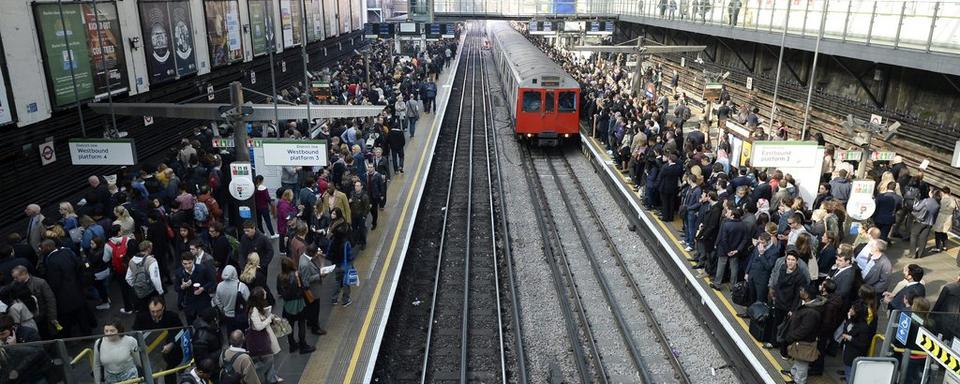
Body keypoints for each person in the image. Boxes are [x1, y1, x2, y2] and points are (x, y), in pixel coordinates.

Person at [38, 239, 91, 337]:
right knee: (82, 315)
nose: (40, 250)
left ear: (49, 247)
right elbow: (78, 266)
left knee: (66, 318)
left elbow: (55, 281)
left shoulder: (51, 261)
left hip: (64, 295)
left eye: (42, 248)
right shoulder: (66, 252)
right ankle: (87, 333)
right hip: (77, 289)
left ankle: (67, 336)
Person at [133, 297, 184, 384]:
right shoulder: (141, 317)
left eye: (158, 311)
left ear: (163, 307)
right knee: (151, 377)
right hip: (150, 353)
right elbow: (135, 333)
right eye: (152, 311)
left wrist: (172, 344)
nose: (155, 314)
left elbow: (180, 332)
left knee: (169, 376)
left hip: (169, 355)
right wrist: (141, 344)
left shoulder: (172, 317)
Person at [766, 251, 809, 349]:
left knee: (785, 327)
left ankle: (783, 346)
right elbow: (779, 284)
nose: (790, 262)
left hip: (788, 305)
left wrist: (792, 309)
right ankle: (773, 342)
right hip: (779, 302)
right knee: (776, 323)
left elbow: (797, 296)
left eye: (793, 260)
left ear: (797, 261)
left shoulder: (800, 276)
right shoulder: (782, 268)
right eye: (788, 259)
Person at [781, 286, 823, 384]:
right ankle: (793, 373)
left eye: (802, 290)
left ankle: (799, 381)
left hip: (805, 342)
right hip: (801, 340)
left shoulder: (811, 312)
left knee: (802, 364)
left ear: (807, 295)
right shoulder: (809, 306)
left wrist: (790, 337)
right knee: (798, 359)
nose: (800, 291)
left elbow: (804, 329)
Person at [276, 257, 315, 354]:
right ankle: (303, 345)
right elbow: (303, 287)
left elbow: (279, 291)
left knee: (290, 326)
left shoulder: (279, 276)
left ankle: (292, 345)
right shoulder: (296, 275)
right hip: (299, 303)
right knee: (301, 323)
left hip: (288, 305)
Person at [247, 287, 282, 383]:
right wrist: (269, 318)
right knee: (268, 359)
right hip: (261, 339)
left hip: (262, 337)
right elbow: (258, 326)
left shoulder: (255, 308)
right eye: (264, 294)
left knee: (269, 358)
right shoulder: (254, 310)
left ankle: (271, 378)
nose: (266, 293)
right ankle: (254, 374)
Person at [93, 318, 143, 384]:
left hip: (129, 376)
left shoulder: (130, 341)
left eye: (112, 331)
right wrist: (97, 382)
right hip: (109, 378)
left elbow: (138, 361)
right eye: (106, 331)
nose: (109, 333)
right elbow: (96, 365)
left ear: (119, 330)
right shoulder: (99, 343)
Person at [712, 208, 750, 291]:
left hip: (724, 250)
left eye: (729, 212)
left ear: (733, 215)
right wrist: (737, 250)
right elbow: (745, 239)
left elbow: (724, 239)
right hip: (736, 251)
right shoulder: (744, 225)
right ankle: (733, 286)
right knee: (734, 268)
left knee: (721, 267)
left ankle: (717, 284)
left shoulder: (726, 224)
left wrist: (728, 251)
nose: (727, 212)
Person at [175, 251, 216, 323]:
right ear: (181, 263)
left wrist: (202, 288)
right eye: (185, 264)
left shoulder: (202, 269)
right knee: (190, 324)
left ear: (193, 261)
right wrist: (182, 286)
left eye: (190, 263)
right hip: (189, 302)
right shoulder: (179, 273)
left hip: (203, 300)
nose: (187, 266)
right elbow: (176, 288)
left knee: (208, 322)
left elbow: (212, 281)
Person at [105, 225, 136, 314]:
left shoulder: (108, 245)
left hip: (119, 270)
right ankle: (137, 306)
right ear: (118, 232)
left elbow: (105, 259)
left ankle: (128, 308)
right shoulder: (127, 239)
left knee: (124, 289)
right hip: (129, 267)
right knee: (133, 286)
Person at [125, 240, 164, 312]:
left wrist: (136, 285)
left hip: (140, 293)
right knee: (157, 310)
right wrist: (160, 291)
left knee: (145, 311)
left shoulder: (131, 261)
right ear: (149, 248)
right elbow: (155, 278)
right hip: (152, 291)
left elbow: (128, 278)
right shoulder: (151, 260)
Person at [214, 265, 251, 335]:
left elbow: (217, 300)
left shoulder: (219, 286)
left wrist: (223, 309)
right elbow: (249, 300)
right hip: (241, 316)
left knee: (231, 334)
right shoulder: (241, 286)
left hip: (227, 316)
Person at [326, 208, 353, 306]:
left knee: (337, 281)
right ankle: (345, 300)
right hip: (345, 264)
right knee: (346, 282)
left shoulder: (333, 242)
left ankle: (334, 299)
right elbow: (350, 256)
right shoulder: (346, 243)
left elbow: (329, 253)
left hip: (336, 263)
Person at [299, 245, 327, 335]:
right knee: (314, 309)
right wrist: (319, 276)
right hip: (312, 291)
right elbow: (306, 280)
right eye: (315, 254)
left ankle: (310, 322)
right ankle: (315, 328)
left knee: (310, 308)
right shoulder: (305, 264)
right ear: (311, 253)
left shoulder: (303, 256)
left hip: (310, 290)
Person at [839, 302, 871, 379]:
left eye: (853, 309)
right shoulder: (851, 321)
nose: (850, 310)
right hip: (848, 354)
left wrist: (850, 338)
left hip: (854, 357)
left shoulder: (864, 327)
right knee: (848, 374)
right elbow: (846, 330)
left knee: (851, 376)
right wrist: (849, 318)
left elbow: (863, 345)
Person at [908, 188, 939, 258]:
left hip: (920, 221)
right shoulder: (937, 204)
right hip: (929, 223)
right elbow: (935, 216)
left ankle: (912, 253)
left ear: (932, 194)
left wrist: (915, 204)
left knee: (913, 235)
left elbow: (917, 208)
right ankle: (920, 254)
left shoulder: (926, 201)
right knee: (923, 238)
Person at [363, 163, 387, 230]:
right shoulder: (365, 175)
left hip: (374, 196)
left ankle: (374, 223)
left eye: (371, 167)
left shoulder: (377, 175)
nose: (369, 168)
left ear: (373, 168)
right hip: (367, 195)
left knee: (374, 210)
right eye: (369, 167)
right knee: (370, 209)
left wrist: (382, 194)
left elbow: (381, 185)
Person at [932, 187, 956, 253]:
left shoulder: (941, 199)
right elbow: (954, 208)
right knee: (944, 232)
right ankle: (945, 246)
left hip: (940, 216)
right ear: (949, 192)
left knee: (937, 232)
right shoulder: (953, 200)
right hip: (948, 217)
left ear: (942, 192)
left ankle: (938, 247)